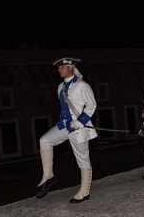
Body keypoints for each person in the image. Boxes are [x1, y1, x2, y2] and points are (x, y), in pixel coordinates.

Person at [36, 56, 97, 203]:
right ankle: (48, 177)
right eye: (58, 67)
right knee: (44, 140)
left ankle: (84, 192)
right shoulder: (60, 87)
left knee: (82, 159)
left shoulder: (82, 85)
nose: (59, 70)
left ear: (70, 68)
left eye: (61, 67)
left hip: (79, 128)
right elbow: (64, 109)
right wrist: (62, 123)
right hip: (65, 126)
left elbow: (91, 105)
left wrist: (79, 122)